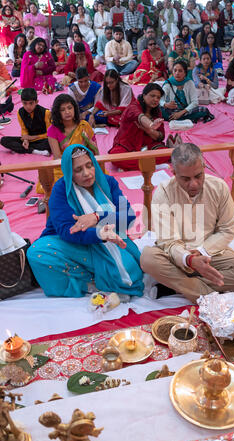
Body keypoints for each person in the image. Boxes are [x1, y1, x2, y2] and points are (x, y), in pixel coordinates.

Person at [140, 143, 234, 304]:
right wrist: (189, 259)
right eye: (186, 179)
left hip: (210, 252)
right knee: (148, 258)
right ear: (174, 173)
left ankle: (177, 286)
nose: (194, 184)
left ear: (203, 167)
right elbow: (168, 242)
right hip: (176, 256)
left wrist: (202, 252)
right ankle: (211, 299)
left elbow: (227, 230)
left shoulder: (219, 187)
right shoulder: (164, 192)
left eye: (198, 176)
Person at [27, 144, 145, 298]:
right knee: (37, 253)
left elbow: (128, 217)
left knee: (130, 271)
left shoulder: (108, 183)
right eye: (78, 170)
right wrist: (101, 233)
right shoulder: (60, 190)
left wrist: (97, 216)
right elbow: (67, 231)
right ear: (69, 172)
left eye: (89, 166)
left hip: (114, 241)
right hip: (76, 243)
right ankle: (87, 283)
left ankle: (99, 276)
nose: (87, 173)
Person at [109, 83, 170, 171]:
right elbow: (140, 116)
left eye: (158, 97)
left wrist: (149, 131)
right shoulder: (133, 107)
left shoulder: (157, 112)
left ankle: (133, 166)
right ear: (144, 95)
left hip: (148, 146)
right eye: (152, 96)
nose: (155, 99)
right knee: (115, 157)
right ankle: (152, 166)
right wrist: (151, 125)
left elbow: (160, 136)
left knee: (166, 153)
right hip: (128, 144)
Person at [44, 94, 99, 190]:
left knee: (101, 180)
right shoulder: (52, 130)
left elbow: (95, 150)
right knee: (59, 186)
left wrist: (88, 141)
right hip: (65, 166)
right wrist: (76, 166)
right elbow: (57, 157)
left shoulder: (84, 125)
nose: (67, 112)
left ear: (74, 109)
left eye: (70, 108)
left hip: (85, 164)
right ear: (57, 112)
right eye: (63, 110)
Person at [0, 87, 51, 155]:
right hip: (30, 140)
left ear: (36, 102)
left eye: (31, 103)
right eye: (25, 103)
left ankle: (21, 149)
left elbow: (50, 134)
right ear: (21, 102)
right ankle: (34, 151)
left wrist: (33, 137)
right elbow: (24, 129)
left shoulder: (46, 113)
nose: (28, 106)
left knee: (51, 142)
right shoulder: (20, 112)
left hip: (43, 139)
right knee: (4, 140)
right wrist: (26, 140)